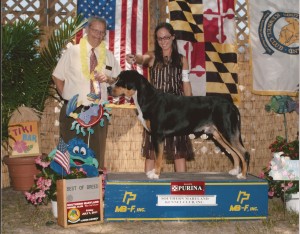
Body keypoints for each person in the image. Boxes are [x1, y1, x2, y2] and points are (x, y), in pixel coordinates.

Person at [52, 16, 121, 169]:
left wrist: (109, 79)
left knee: (97, 152)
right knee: (71, 150)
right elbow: (57, 76)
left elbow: (118, 81)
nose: (98, 35)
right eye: (95, 30)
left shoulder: (108, 56)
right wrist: (66, 97)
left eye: (102, 32)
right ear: (87, 30)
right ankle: (69, 188)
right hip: (74, 109)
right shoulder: (73, 51)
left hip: (99, 112)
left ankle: (95, 187)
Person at [126, 22, 194, 174]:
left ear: (173, 37)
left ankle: (182, 187)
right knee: (152, 149)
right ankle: (148, 186)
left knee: (179, 150)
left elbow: (186, 84)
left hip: (177, 109)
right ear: (156, 40)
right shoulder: (152, 57)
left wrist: (189, 106)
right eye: (159, 39)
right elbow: (141, 58)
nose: (163, 41)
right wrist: (134, 58)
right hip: (156, 109)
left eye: (166, 38)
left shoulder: (182, 60)